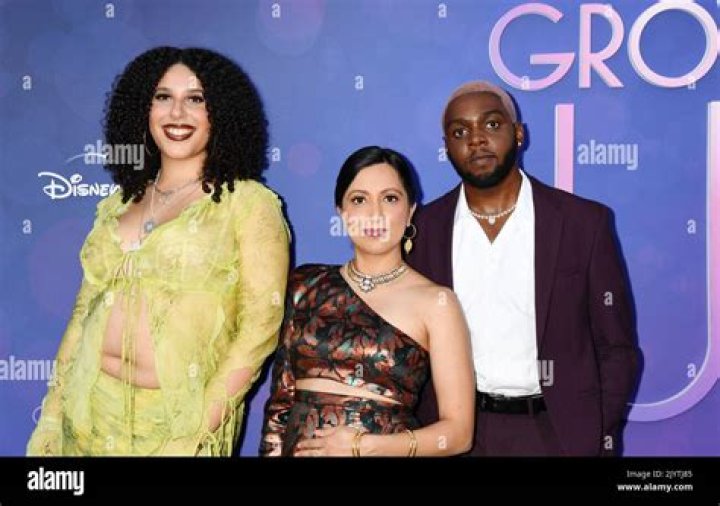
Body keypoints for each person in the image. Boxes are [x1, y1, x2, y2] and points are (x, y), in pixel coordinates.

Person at [27, 47, 290, 456]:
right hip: (86, 416)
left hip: (176, 426)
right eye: (162, 97)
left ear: (220, 112)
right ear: (142, 109)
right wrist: (51, 415)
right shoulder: (118, 203)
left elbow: (260, 328)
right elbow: (82, 314)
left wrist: (194, 433)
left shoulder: (248, 204)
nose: (177, 113)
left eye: (195, 99)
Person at [407, 81, 639, 456]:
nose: (476, 140)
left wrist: (593, 431)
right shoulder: (422, 232)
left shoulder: (583, 224)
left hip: (556, 435)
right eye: (460, 132)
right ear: (446, 147)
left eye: (491, 124)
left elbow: (617, 347)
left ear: (518, 133)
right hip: (456, 436)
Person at [260, 146, 474, 457]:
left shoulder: (437, 303)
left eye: (390, 198)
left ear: (410, 211)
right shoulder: (306, 284)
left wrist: (365, 446)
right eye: (359, 199)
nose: (375, 214)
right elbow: (280, 406)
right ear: (341, 212)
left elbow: (458, 434)